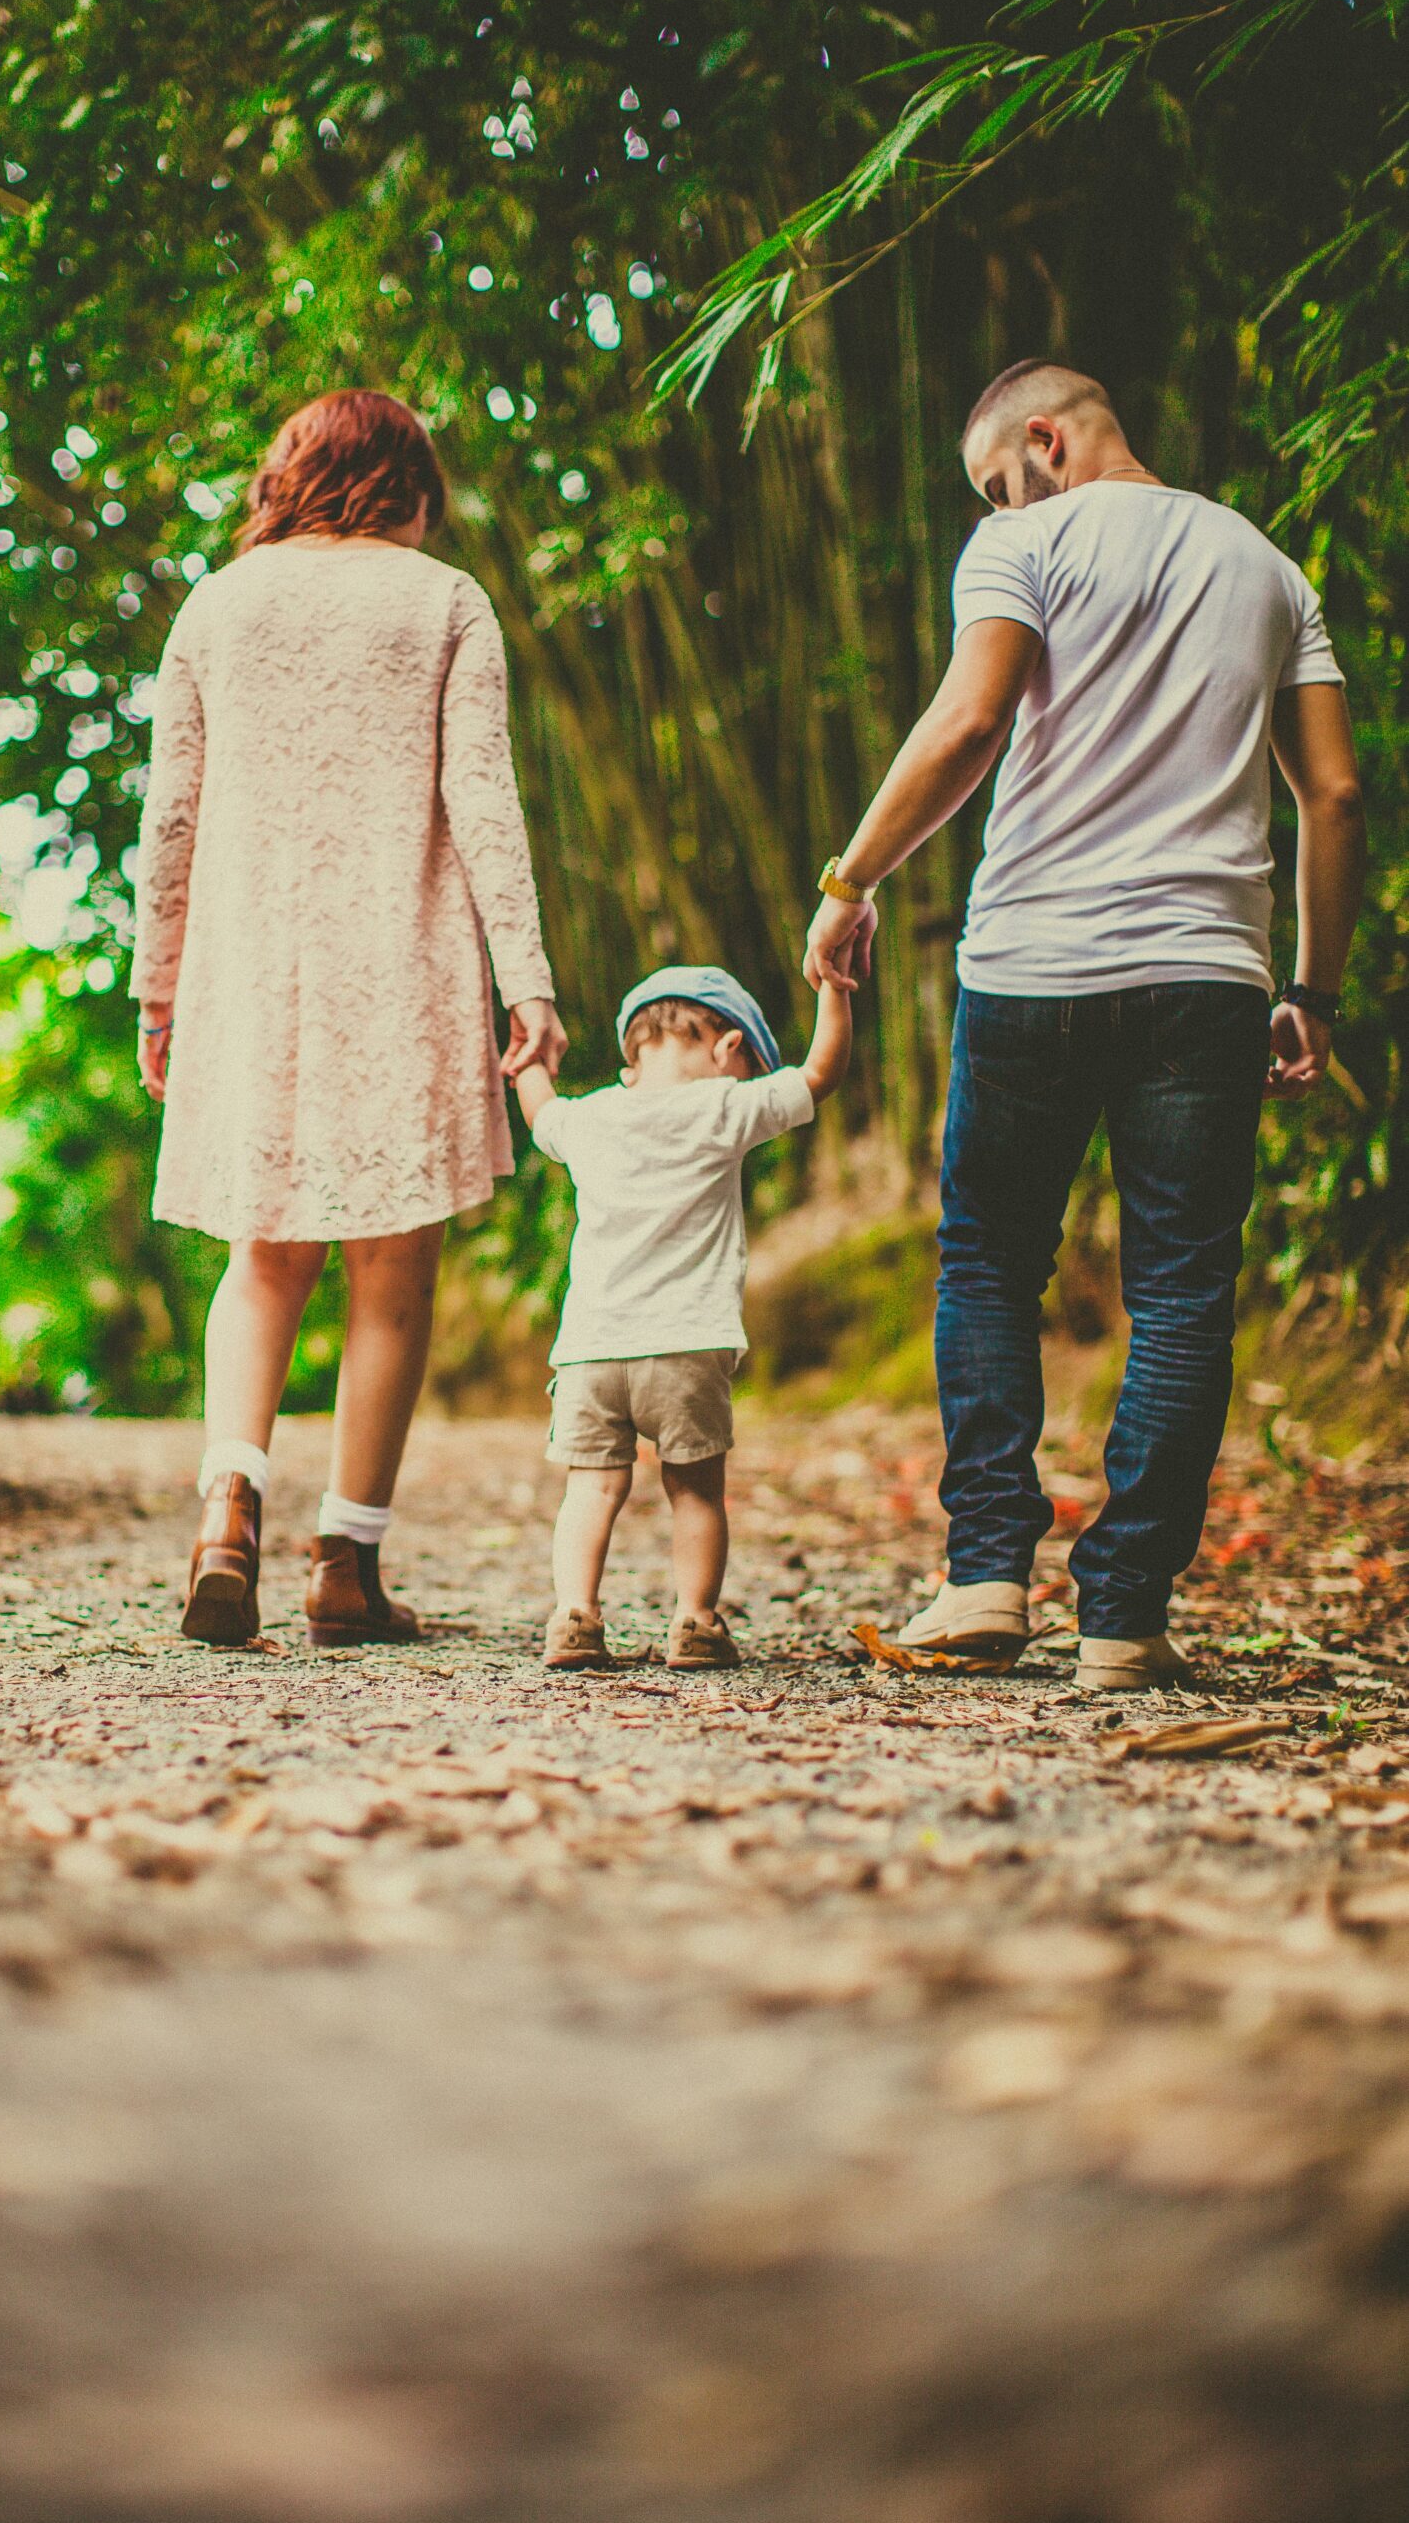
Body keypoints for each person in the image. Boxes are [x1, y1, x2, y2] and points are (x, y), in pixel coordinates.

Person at [804, 360, 1367, 1694]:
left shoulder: (1022, 541)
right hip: (1206, 979)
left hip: (1031, 967)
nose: (997, 501)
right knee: (1179, 1291)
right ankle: (1120, 1620)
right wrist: (1311, 991)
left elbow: (969, 719)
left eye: (997, 476)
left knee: (988, 1264)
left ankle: (984, 1582)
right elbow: (1331, 797)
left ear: (1043, 441)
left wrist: (848, 881)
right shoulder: (1266, 568)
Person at [131, 389, 566, 1648]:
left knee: (261, 1254)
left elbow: (172, 816)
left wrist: (158, 985)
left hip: (250, 969)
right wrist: (526, 981)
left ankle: (227, 1515)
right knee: (395, 1271)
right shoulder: (442, 602)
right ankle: (345, 1566)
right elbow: (484, 798)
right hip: (404, 960)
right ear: (409, 485)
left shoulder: (218, 602)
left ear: (289, 478)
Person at [518, 965, 853, 1671]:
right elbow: (821, 1071)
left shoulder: (589, 1117)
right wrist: (834, 988)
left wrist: (532, 1055)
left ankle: (574, 1615)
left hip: (591, 1350)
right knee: (694, 1490)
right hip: (686, 1343)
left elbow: (539, 1109)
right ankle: (695, 1623)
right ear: (727, 1049)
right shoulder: (722, 1107)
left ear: (631, 1053)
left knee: (592, 1488)